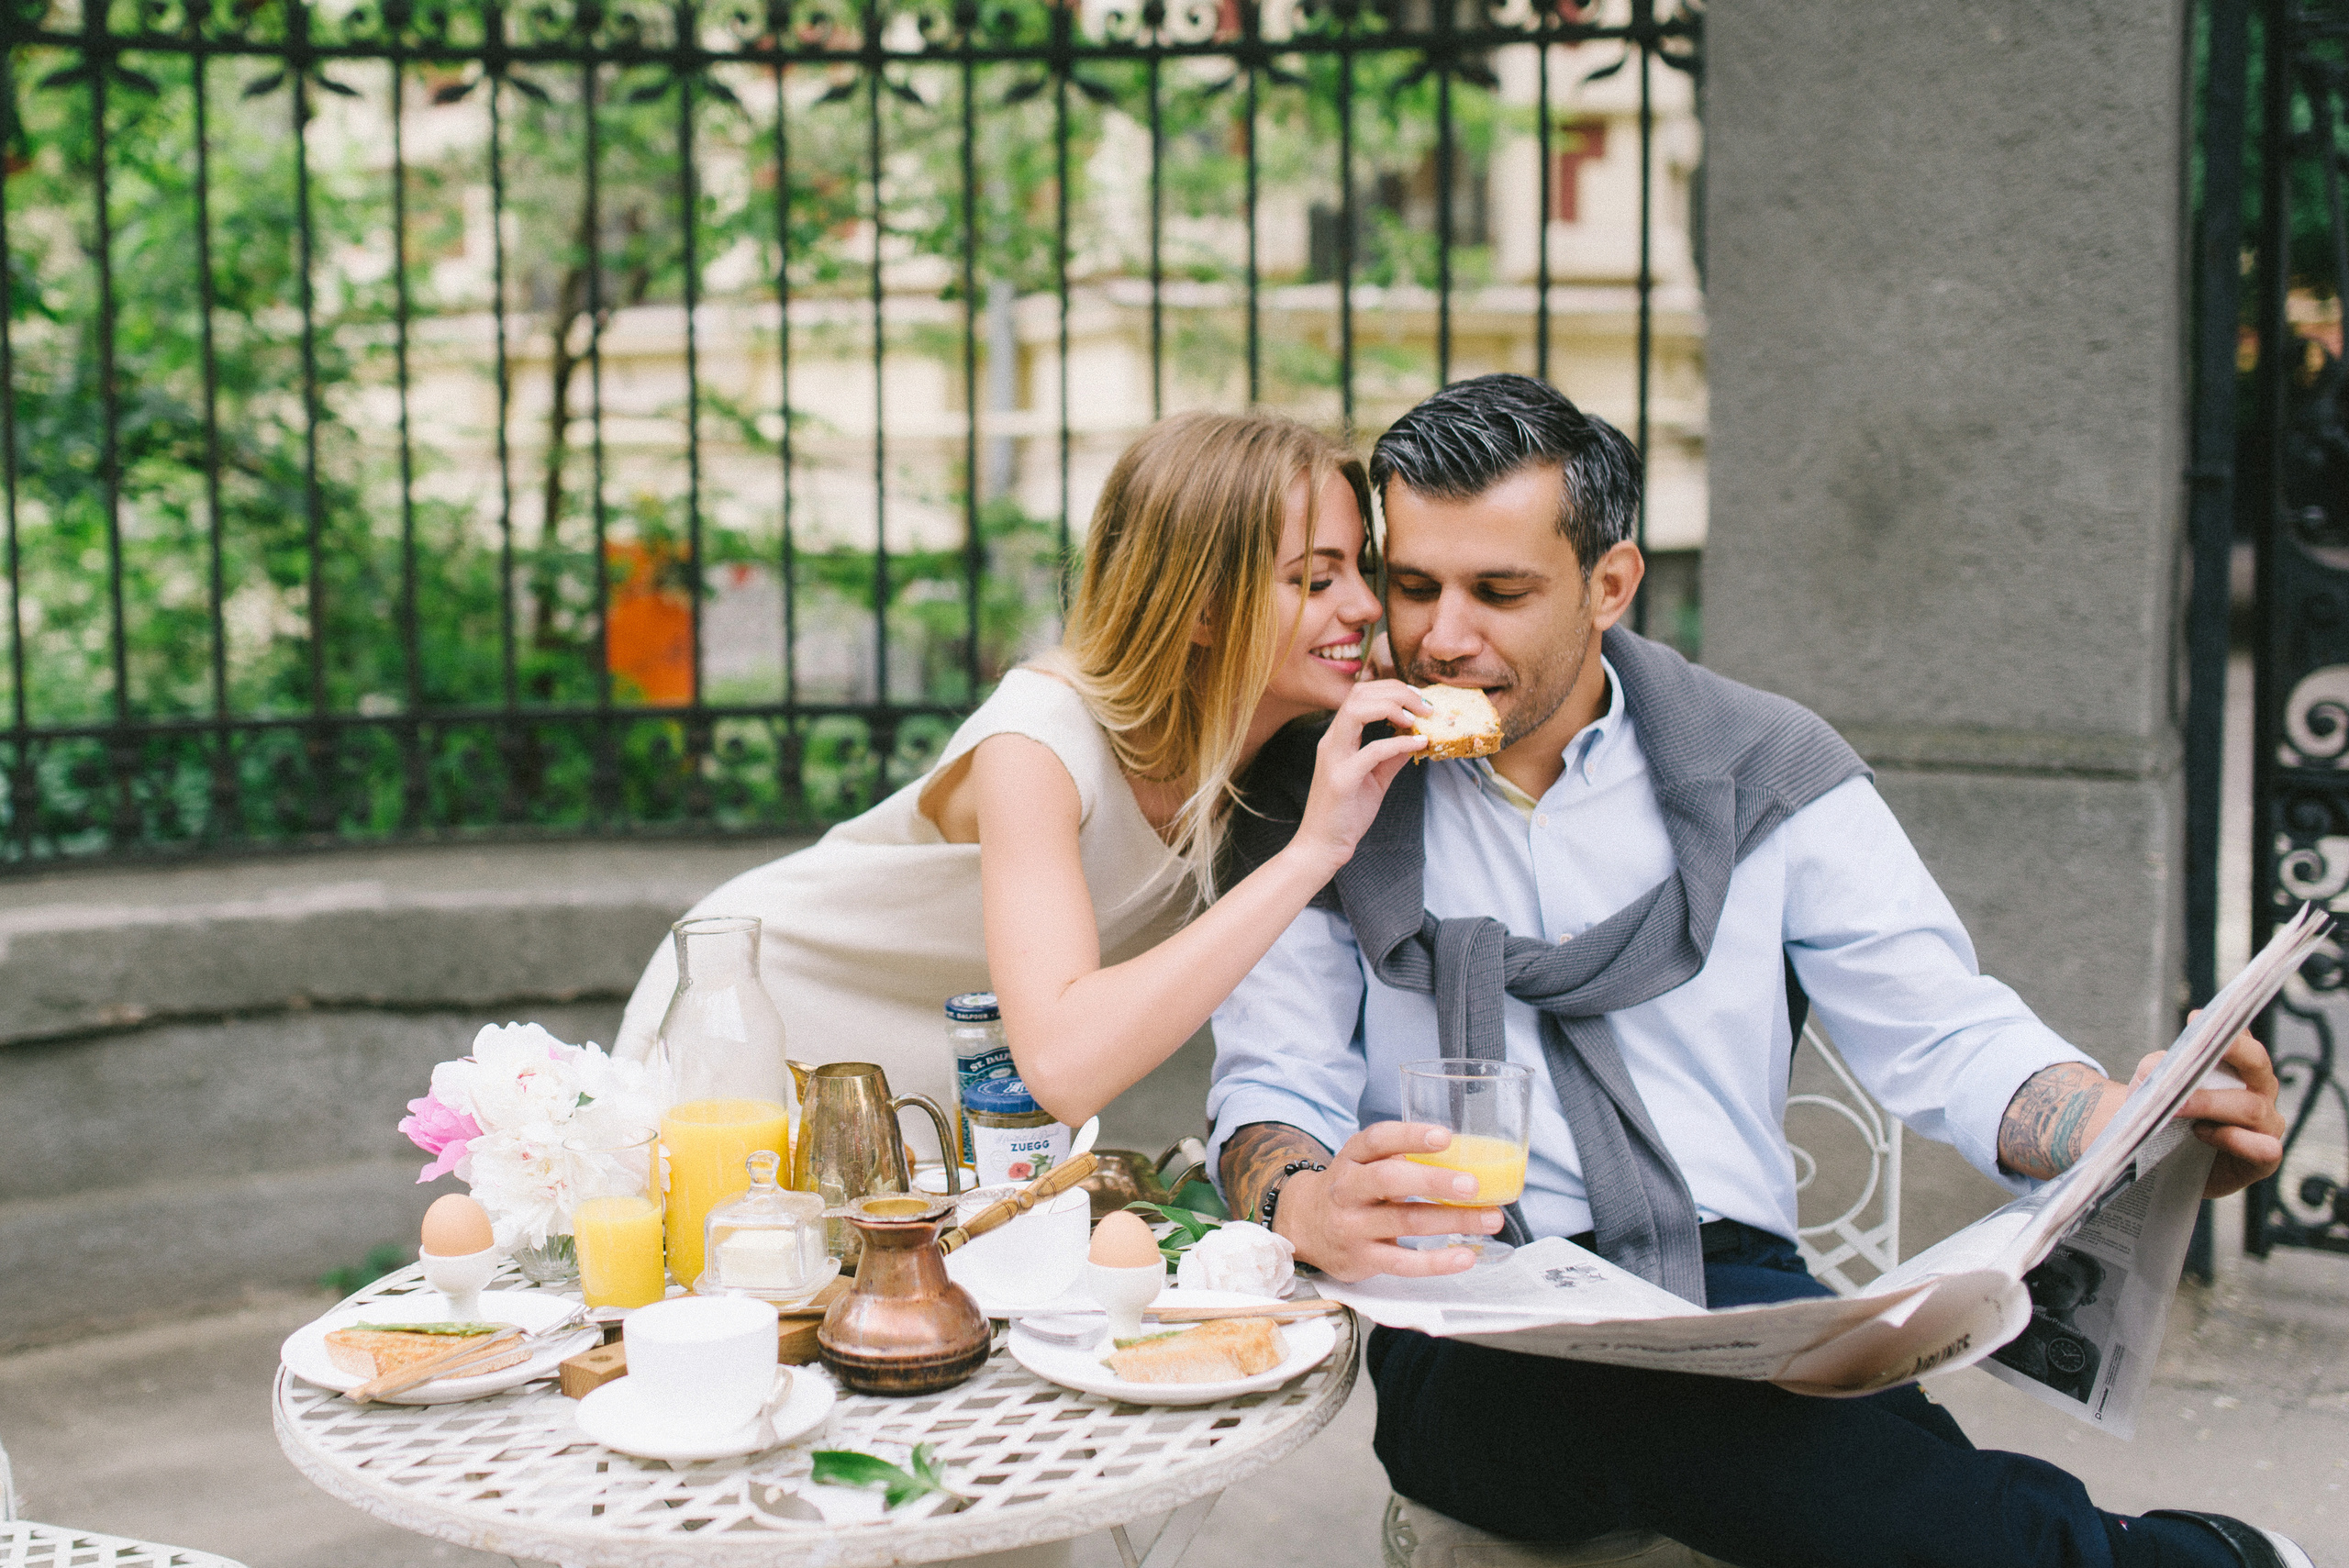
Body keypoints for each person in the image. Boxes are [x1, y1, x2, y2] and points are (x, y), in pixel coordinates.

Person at [1211, 374, 2310, 1568]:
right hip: (1464, 1318)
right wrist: (1303, 1199)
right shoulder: (1325, 793)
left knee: (1793, 1430)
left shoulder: (1762, 767)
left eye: (1500, 591)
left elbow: (1944, 1032)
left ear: (1611, 584)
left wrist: (2122, 1125)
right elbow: (1271, 1091)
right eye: (1416, 585)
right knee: (1711, 1416)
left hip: (1730, 1289)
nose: (1440, 637)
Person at [616, 409, 1431, 1123]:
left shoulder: (1302, 747)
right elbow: (1064, 1064)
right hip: (765, 1005)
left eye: (1363, 568)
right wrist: (1312, 851)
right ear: (1202, 607)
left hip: (954, 1071)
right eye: (1315, 578)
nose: (1364, 606)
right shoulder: (1038, 742)